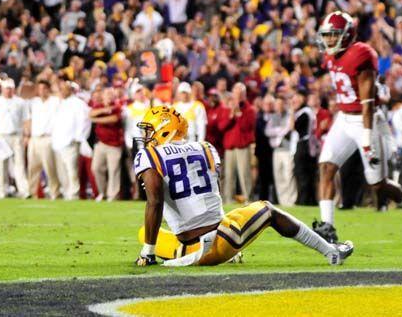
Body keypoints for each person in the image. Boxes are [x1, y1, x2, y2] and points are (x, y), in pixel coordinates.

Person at [133, 106, 353, 267]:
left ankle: (331, 252)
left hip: (191, 247)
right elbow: (210, 196)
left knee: (146, 234)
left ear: (165, 130)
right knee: (267, 209)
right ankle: (329, 250)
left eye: (149, 130)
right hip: (221, 240)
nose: (145, 136)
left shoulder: (149, 155)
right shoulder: (206, 148)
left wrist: (148, 253)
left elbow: (155, 202)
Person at [314, 11, 402, 243]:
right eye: (327, 36)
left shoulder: (361, 55)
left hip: (366, 120)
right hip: (344, 118)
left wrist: (366, 137)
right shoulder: (330, 56)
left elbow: (367, 103)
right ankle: (328, 227)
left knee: (378, 185)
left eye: (334, 36)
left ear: (346, 36)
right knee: (326, 167)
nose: (329, 41)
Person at [0, 78, 29, 199]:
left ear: (14, 89)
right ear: (2, 89)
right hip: (1, 136)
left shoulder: (20, 102)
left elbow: (26, 119)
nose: (8, 91)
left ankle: (24, 191)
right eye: (6, 88)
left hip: (16, 135)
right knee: (1, 165)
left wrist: (26, 135)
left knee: (19, 164)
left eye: (10, 88)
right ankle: (1, 192)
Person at [51, 81, 91, 200]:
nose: (61, 91)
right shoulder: (60, 103)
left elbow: (85, 121)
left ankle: (74, 193)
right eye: (61, 89)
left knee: (71, 170)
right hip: (58, 142)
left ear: (70, 90)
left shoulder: (78, 103)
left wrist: (78, 138)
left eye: (64, 89)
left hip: (71, 142)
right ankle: (66, 191)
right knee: (61, 170)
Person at [220, 84, 256, 203]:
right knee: (229, 175)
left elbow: (247, 127)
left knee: (245, 175)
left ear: (244, 95)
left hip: (243, 147)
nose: (238, 96)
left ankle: (248, 199)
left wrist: (239, 114)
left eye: (241, 93)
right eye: (236, 93)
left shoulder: (249, 109)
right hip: (230, 147)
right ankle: (228, 199)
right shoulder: (227, 109)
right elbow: (221, 127)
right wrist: (231, 115)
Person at [27, 80, 60, 199]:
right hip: (34, 138)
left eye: (44, 88)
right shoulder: (34, 102)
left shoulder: (55, 101)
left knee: (50, 168)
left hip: (48, 138)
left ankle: (54, 193)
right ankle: (32, 193)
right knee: (32, 167)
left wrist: (55, 88)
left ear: (48, 89)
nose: (41, 91)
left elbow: (61, 96)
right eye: (39, 88)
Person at [90, 88, 125, 201]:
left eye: (111, 94)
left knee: (113, 170)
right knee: (96, 168)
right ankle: (102, 192)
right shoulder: (99, 106)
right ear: (103, 96)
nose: (109, 96)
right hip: (100, 143)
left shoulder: (117, 107)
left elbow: (113, 119)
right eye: (107, 94)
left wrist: (96, 120)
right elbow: (90, 114)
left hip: (114, 145)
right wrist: (105, 110)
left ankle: (112, 195)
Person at [265, 97, 297, 206]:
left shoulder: (289, 115)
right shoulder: (273, 117)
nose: (278, 106)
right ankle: (283, 201)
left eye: (280, 104)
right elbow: (267, 131)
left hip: (287, 150)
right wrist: (280, 131)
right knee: (279, 176)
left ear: (284, 105)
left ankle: (291, 201)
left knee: (289, 176)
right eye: (277, 104)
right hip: (277, 150)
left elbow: (289, 129)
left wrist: (277, 131)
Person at [291, 91, 318, 206]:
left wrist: (292, 112)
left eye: (297, 97)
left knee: (301, 173)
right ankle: (309, 200)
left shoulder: (304, 113)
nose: (294, 100)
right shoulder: (308, 112)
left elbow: (293, 127)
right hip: (309, 145)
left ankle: (303, 200)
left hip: (304, 145)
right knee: (308, 175)